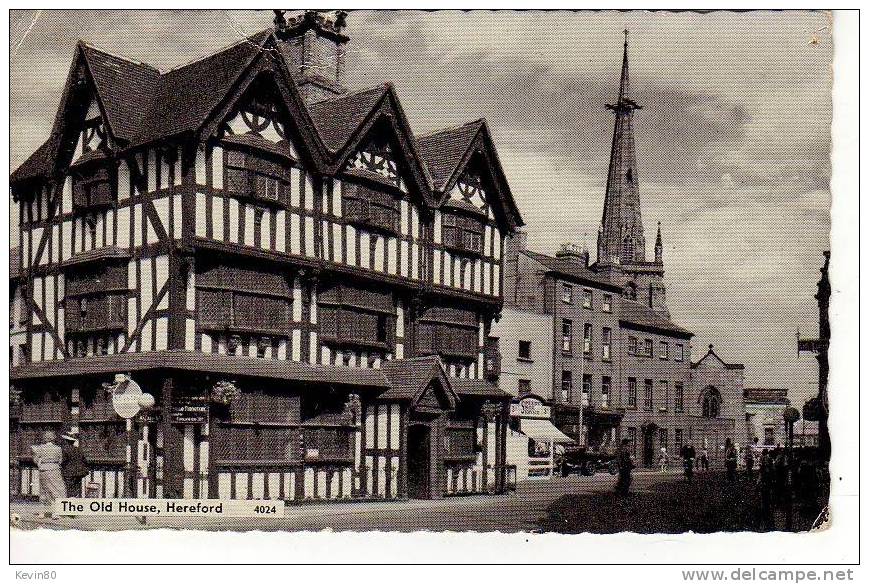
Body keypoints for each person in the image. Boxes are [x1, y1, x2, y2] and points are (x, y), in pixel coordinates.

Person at [30, 430, 66, 519]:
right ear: (53, 438)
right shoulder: (58, 448)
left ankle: (42, 513)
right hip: (54, 469)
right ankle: (55, 513)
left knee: (43, 490)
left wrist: (38, 461)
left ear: (44, 438)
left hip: (43, 470)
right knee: (56, 490)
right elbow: (60, 460)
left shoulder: (40, 448)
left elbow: (35, 460)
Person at [60, 430, 89, 498]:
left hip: (69, 472)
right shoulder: (79, 449)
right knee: (76, 488)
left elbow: (63, 461)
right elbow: (84, 460)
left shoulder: (65, 449)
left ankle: (69, 502)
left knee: (69, 488)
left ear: (66, 441)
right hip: (79, 472)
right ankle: (75, 500)